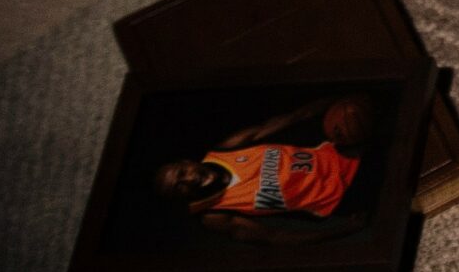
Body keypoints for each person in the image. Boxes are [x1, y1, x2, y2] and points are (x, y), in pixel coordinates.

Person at [152, 94, 369, 244]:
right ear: (182, 198)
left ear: (187, 162)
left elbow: (293, 117)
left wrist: (340, 99)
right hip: (346, 199)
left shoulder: (227, 149)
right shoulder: (214, 215)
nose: (188, 179)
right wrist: (344, 230)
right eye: (179, 187)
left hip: (349, 154)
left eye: (182, 173)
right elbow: (274, 237)